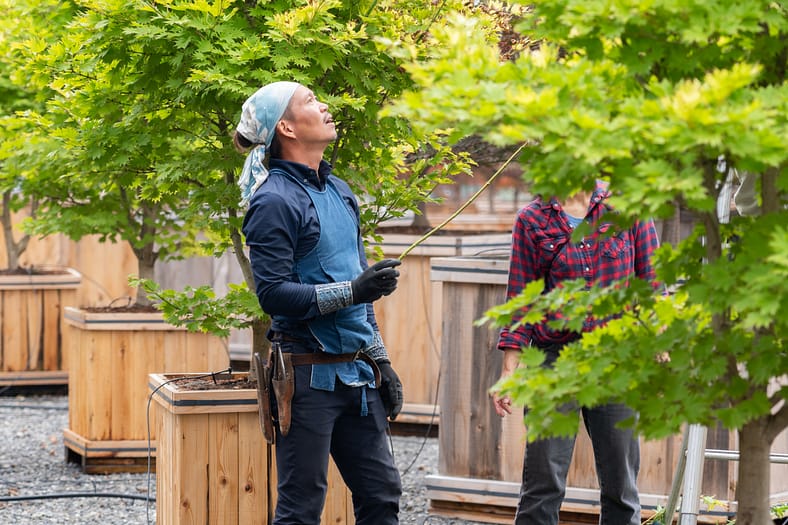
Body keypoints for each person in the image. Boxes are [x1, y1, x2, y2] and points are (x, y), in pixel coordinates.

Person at [235, 81, 404, 525]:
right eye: (310, 101)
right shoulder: (272, 201)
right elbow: (272, 295)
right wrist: (353, 291)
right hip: (304, 379)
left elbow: (359, 283)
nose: (325, 104)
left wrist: (380, 361)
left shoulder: (341, 191)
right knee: (301, 508)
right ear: (286, 127)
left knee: (383, 496)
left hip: (358, 376)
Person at [491, 181, 659, 525]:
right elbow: (521, 302)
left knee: (621, 485)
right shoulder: (532, 219)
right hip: (553, 360)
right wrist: (509, 371)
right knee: (543, 483)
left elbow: (653, 281)